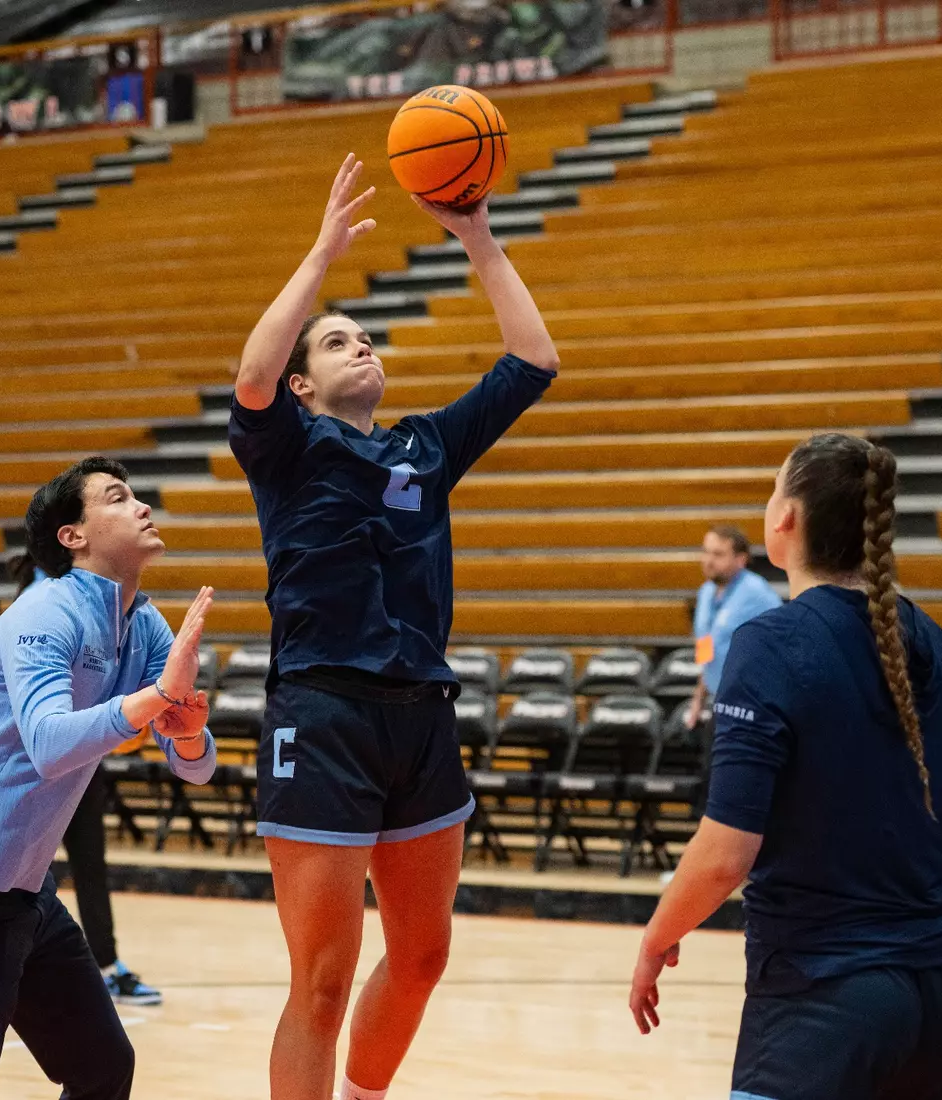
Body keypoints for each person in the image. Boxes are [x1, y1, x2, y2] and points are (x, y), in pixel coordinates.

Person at [230, 155, 559, 1100]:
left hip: (421, 714)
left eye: (367, 337)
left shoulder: (426, 445)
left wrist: (479, 238)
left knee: (421, 959)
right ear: (304, 386)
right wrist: (322, 256)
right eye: (338, 342)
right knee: (324, 979)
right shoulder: (285, 446)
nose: (362, 347)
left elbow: (535, 359)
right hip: (322, 713)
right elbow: (254, 371)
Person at [628, 434, 942, 1100]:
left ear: (786, 519)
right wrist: (927, 944)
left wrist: (658, 935)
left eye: (775, 488)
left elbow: (725, 855)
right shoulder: (937, 643)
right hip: (941, 993)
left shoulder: (770, 643)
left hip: (823, 997)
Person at [0, 457, 217, 1100]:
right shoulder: (42, 615)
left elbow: (194, 769)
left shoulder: (143, 623)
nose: (142, 507)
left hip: (25, 894)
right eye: (118, 499)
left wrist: (188, 731)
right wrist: (154, 700)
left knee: (102, 1067)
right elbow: (47, 743)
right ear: (74, 535)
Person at [8, 554, 165, 1007]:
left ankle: (108, 964)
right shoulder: (41, 605)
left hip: (81, 763)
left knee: (90, 864)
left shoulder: (103, 607)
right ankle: (11, 966)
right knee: (21, 874)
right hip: (34, 769)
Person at [682, 524, 782, 732]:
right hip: (719, 702)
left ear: (741, 559)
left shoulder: (758, 594)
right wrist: (699, 696)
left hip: (751, 707)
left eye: (718, 554)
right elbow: (706, 647)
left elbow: (783, 644)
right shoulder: (705, 592)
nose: (708, 561)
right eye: (706, 552)